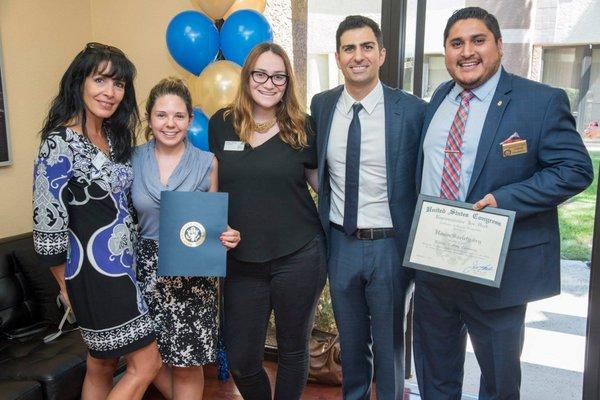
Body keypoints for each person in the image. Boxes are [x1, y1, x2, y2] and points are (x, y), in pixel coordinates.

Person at [414, 7, 594, 399]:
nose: (467, 52)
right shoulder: (439, 99)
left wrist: (505, 199)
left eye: (478, 40)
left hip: (498, 270)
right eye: (456, 43)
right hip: (435, 269)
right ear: (445, 52)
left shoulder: (540, 101)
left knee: (498, 383)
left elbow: (576, 169)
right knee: (434, 378)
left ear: (499, 46)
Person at [32, 43, 161, 399]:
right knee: (147, 364)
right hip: (93, 274)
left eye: (118, 85)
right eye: (100, 80)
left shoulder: (115, 140)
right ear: (79, 82)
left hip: (124, 268)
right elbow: (48, 226)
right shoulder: (58, 143)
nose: (110, 92)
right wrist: (65, 288)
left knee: (100, 363)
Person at [310, 15, 426, 400]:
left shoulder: (410, 110)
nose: (358, 56)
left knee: (390, 342)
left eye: (366, 47)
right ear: (339, 57)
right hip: (341, 242)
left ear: (381, 54)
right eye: (349, 48)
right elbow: (317, 171)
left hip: (390, 245)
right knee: (352, 339)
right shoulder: (323, 105)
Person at [208, 42, 327, 400]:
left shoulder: (302, 127)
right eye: (261, 74)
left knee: (292, 350)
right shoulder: (221, 124)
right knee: (243, 359)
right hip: (242, 260)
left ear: (288, 81)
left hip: (300, 254)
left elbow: (324, 187)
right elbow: (212, 187)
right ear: (247, 77)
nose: (269, 83)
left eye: (278, 76)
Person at [131, 77, 240, 400]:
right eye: (161, 115)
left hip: (192, 274)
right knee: (146, 360)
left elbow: (212, 222)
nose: (170, 123)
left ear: (190, 119)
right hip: (144, 271)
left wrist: (227, 234)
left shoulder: (207, 163)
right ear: (149, 118)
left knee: (187, 364)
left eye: (179, 116)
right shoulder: (131, 160)